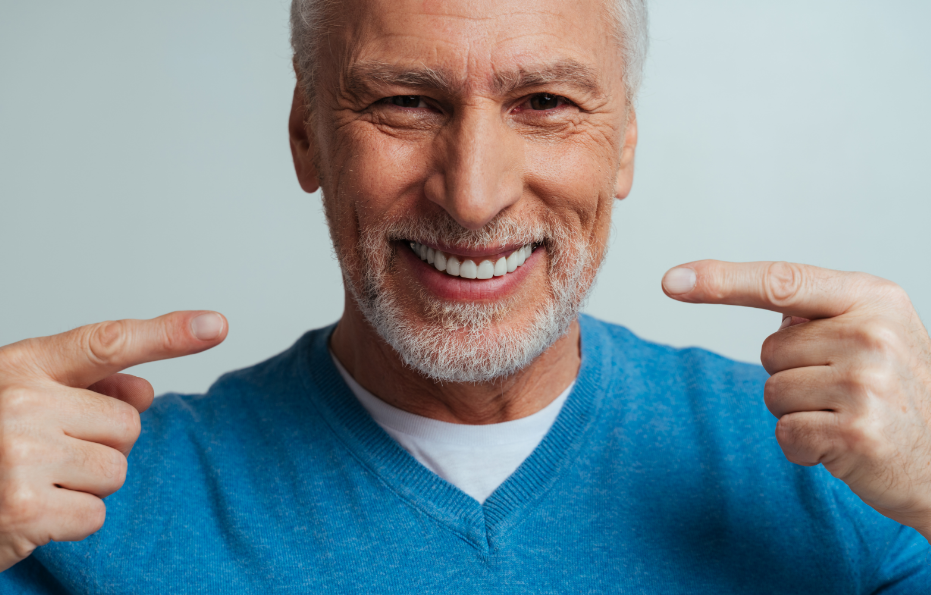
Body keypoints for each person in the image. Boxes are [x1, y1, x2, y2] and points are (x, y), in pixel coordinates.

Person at [1, 0, 930, 591]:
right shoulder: (84, 505)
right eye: (406, 102)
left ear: (625, 147)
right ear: (306, 137)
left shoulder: (839, 471)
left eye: (545, 103)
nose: (473, 192)